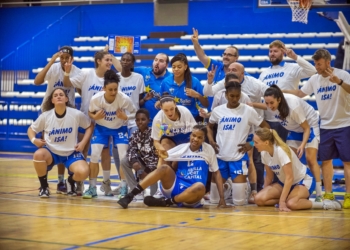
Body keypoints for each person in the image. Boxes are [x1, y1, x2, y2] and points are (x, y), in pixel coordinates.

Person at [284, 49, 350, 208]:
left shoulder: (343, 74)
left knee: (347, 162)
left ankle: (348, 195)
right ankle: (328, 193)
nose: (317, 67)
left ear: (328, 62)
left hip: (344, 124)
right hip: (325, 125)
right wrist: (282, 91)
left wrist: (339, 82)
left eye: (319, 64)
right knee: (326, 161)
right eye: (315, 64)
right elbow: (300, 93)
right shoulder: (314, 79)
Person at [117, 125, 230, 209]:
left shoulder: (208, 150)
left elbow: (217, 173)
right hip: (175, 186)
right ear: (190, 135)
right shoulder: (182, 148)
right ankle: (130, 196)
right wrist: (159, 151)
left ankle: (166, 202)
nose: (195, 139)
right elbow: (163, 157)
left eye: (199, 137)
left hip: (193, 193)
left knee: (200, 186)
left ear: (204, 139)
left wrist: (222, 199)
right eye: (194, 135)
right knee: (164, 169)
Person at [203, 62, 269, 193]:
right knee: (214, 199)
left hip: (243, 140)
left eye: (237, 96)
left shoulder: (246, 104)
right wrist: (211, 140)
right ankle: (228, 185)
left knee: (249, 162)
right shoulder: (218, 105)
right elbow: (209, 125)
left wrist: (252, 142)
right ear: (226, 93)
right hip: (222, 153)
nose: (234, 99)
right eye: (231, 96)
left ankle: (252, 189)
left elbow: (266, 127)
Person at [252, 85, 323, 201]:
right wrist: (252, 104)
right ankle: (290, 189)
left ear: (279, 99)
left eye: (271, 103)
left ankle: (319, 194)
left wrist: (302, 144)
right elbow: (266, 106)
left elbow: (306, 128)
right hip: (295, 129)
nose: (269, 106)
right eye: (267, 103)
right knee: (289, 157)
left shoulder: (293, 106)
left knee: (310, 158)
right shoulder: (272, 104)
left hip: (309, 126)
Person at [63, 50, 117, 196]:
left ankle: (106, 184)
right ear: (98, 61)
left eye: (111, 60)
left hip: (104, 120)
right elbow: (67, 83)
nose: (110, 63)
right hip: (86, 119)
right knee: (82, 150)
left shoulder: (110, 77)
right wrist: (67, 72)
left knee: (106, 152)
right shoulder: (87, 74)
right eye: (107, 60)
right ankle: (78, 182)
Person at [253, 128, 342, 211]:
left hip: (302, 180)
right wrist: (266, 192)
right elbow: (269, 176)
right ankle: (287, 198)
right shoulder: (264, 153)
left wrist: (282, 201)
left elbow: (289, 177)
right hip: (284, 183)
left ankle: (324, 204)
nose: (254, 144)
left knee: (291, 204)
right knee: (259, 199)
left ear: (266, 142)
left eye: (256, 142)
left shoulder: (281, 151)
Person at [27, 88, 93, 197]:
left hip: (71, 153)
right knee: (38, 155)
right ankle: (44, 187)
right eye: (56, 95)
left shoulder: (75, 114)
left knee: (84, 172)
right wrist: (34, 140)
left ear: (66, 99)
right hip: (52, 152)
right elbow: (31, 129)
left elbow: (90, 126)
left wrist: (83, 143)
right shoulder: (46, 116)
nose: (58, 96)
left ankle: (70, 181)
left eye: (61, 94)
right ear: (52, 100)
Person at [34, 46, 81, 194]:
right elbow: (37, 81)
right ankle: (44, 184)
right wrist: (52, 60)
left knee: (64, 146)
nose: (64, 60)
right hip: (49, 111)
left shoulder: (77, 72)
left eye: (67, 58)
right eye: (62, 58)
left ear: (72, 59)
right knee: (45, 147)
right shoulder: (54, 68)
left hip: (68, 112)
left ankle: (62, 181)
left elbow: (76, 88)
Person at [83, 70, 136, 199]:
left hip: (119, 128)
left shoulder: (123, 99)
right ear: (104, 88)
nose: (113, 92)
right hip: (101, 128)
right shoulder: (96, 99)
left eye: (115, 89)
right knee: (94, 155)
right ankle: (92, 187)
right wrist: (95, 116)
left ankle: (124, 187)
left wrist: (126, 116)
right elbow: (90, 113)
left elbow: (135, 113)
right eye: (110, 89)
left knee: (123, 157)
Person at [258, 40, 316, 142]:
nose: (272, 54)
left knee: (285, 154)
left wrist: (295, 57)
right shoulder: (264, 73)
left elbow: (312, 71)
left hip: (287, 118)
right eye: (270, 51)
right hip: (269, 119)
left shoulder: (292, 67)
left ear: (283, 52)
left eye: (275, 51)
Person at [120, 109, 159, 200]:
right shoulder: (134, 134)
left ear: (148, 120)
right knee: (124, 161)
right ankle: (136, 191)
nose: (140, 122)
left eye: (143, 119)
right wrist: (134, 161)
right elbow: (131, 150)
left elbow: (157, 157)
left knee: (153, 196)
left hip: (154, 167)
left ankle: (157, 191)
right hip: (142, 163)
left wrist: (147, 171)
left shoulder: (154, 134)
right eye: (138, 120)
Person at [160, 53, 208, 121]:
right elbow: (161, 102)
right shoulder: (165, 82)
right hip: (172, 121)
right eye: (173, 67)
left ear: (185, 67)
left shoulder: (195, 82)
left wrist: (197, 95)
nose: (176, 69)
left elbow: (206, 104)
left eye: (179, 67)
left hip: (192, 120)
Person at [151, 94, 197, 164]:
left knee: (177, 162)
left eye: (171, 109)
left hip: (187, 138)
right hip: (170, 139)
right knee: (163, 159)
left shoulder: (184, 111)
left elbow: (195, 131)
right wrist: (161, 149)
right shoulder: (158, 119)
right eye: (166, 110)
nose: (169, 113)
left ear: (175, 104)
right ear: (161, 108)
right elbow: (156, 141)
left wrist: (188, 146)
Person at [134, 53, 173, 125]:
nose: (157, 63)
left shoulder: (171, 79)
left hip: (161, 123)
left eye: (161, 61)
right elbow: (123, 69)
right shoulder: (144, 72)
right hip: (142, 123)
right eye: (156, 60)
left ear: (166, 65)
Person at [118, 52, 145, 136]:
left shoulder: (139, 78)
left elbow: (138, 100)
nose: (125, 62)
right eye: (123, 60)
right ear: (120, 62)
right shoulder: (115, 78)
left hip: (134, 119)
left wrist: (144, 99)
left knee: (134, 146)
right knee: (122, 148)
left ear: (132, 64)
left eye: (128, 60)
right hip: (119, 119)